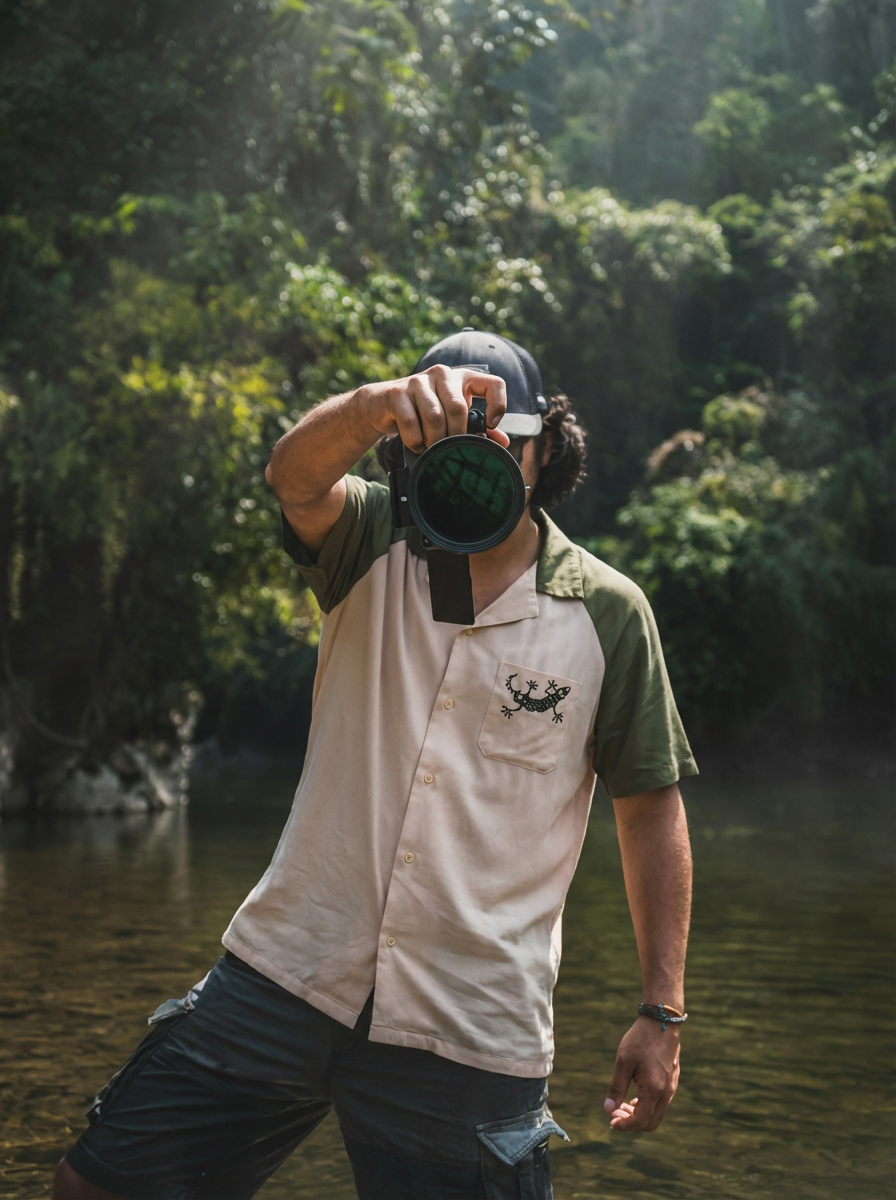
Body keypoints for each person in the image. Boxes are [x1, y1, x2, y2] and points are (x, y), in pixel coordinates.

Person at [55, 329, 696, 1200]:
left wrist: (661, 1012)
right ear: (411, 453)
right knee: (99, 1187)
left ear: (545, 450)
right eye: (457, 445)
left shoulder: (607, 614)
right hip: (290, 970)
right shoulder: (367, 540)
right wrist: (375, 404)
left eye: (505, 441)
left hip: (467, 1024)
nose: (485, 462)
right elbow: (292, 477)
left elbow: (649, 807)